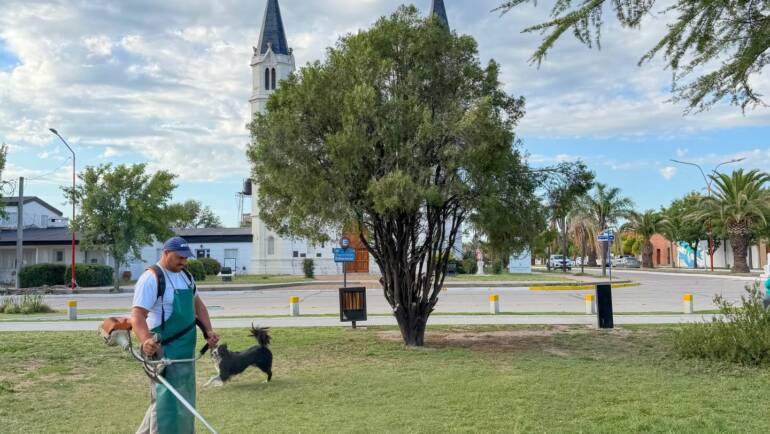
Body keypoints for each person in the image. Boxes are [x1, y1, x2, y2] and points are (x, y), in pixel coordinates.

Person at [132, 236, 219, 434]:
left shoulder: (186, 276)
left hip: (185, 354)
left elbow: (199, 307)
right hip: (164, 353)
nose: (184, 262)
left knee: (181, 401)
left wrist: (209, 331)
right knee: (166, 403)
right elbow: (137, 316)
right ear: (166, 253)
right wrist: (145, 340)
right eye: (179, 257)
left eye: (186, 258)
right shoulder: (152, 278)